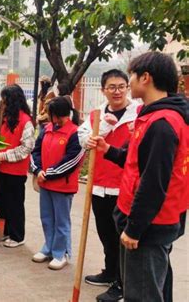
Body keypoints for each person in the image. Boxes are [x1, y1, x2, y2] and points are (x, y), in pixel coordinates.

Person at [87, 52, 188, 301]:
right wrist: (108, 150)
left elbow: (154, 183)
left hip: (149, 225)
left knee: (142, 293)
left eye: (130, 76)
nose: (127, 83)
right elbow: (137, 162)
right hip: (149, 219)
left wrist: (134, 229)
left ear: (145, 78)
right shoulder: (152, 115)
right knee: (156, 286)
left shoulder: (163, 123)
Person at [78, 69, 138, 301]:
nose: (117, 91)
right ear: (103, 90)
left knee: (122, 238)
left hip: (125, 187)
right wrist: (102, 127)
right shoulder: (96, 115)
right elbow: (82, 139)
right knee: (105, 234)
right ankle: (110, 271)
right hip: (99, 185)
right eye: (111, 87)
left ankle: (122, 284)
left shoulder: (138, 113)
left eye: (121, 86)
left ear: (127, 88)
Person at [31, 96, 84, 270]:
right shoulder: (47, 129)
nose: (48, 118)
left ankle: (61, 253)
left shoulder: (76, 133)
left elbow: (72, 160)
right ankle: (48, 248)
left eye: (51, 114)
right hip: (45, 182)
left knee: (61, 221)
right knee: (47, 218)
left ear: (59, 114)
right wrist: (38, 170)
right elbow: (35, 151)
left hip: (62, 185)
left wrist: (50, 173)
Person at [0, 84, 35, 247]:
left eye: (5, 99)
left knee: (14, 204)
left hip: (16, 171)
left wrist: (4, 156)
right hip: (1, 168)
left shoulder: (26, 121)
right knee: (1, 202)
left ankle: (17, 235)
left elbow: (26, 148)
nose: (3, 103)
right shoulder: (3, 118)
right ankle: (6, 230)